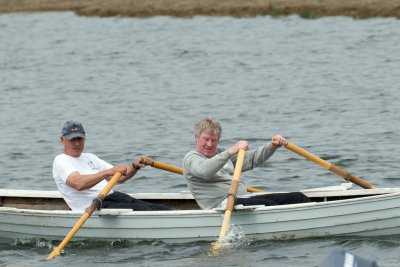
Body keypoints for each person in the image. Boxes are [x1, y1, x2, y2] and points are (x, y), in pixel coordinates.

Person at [182, 117, 310, 210]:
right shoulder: (191, 159)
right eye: (205, 139)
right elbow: (204, 171)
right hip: (221, 205)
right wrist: (231, 150)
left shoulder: (221, 154)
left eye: (213, 140)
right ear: (196, 138)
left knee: (298, 198)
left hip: (243, 198)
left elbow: (252, 160)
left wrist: (272, 146)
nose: (209, 144)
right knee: (271, 207)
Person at [53, 120, 170, 212]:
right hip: (93, 205)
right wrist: (107, 172)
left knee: (160, 208)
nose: (77, 143)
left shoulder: (90, 157)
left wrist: (135, 166)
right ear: (62, 140)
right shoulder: (61, 161)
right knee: (144, 211)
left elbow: (120, 177)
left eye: (80, 138)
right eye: (72, 139)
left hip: (112, 196)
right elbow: (79, 183)